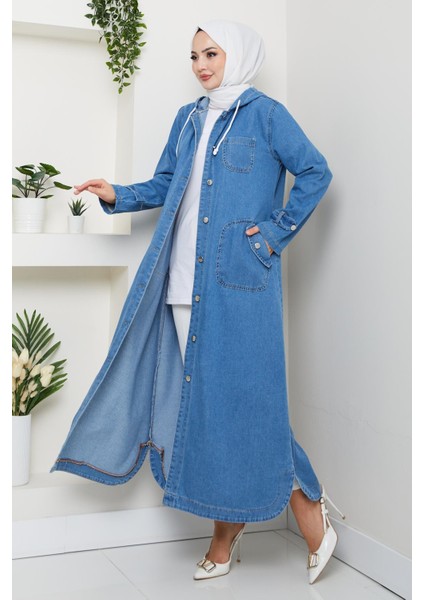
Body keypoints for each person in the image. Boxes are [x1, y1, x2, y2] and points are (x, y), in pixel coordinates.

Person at [52, 19, 344, 584]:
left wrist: (273, 234)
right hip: (181, 283)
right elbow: (167, 184)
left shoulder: (266, 115)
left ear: (237, 55)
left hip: (239, 284)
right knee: (212, 409)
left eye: (212, 53)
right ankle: (228, 532)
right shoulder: (188, 118)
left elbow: (315, 171)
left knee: (247, 404)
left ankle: (305, 511)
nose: (201, 65)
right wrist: (118, 193)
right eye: (194, 56)